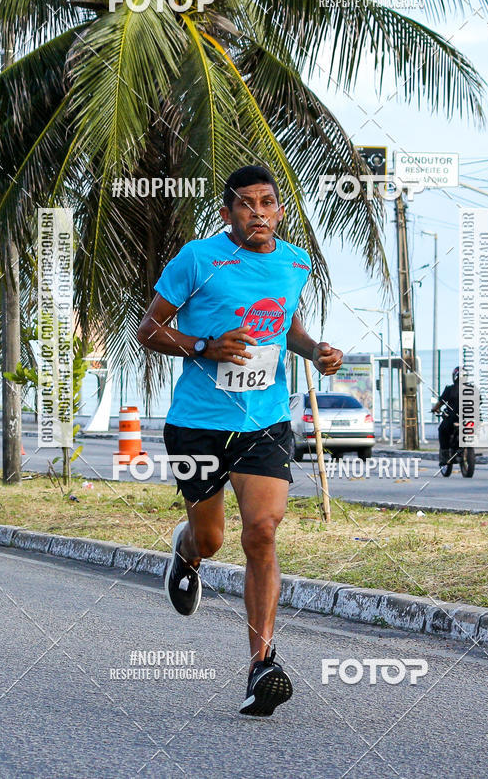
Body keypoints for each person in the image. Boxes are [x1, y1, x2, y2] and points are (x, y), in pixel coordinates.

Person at [137, 165, 343, 716]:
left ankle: (262, 665)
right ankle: (187, 552)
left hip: (265, 422)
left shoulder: (296, 263)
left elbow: (287, 327)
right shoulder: (197, 259)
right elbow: (149, 329)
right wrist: (205, 345)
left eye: (267, 202)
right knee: (211, 539)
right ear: (228, 212)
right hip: (198, 424)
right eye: (246, 204)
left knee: (263, 531)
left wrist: (316, 351)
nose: (258, 212)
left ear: (280, 210)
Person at [431, 366, 461, 466]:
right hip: (471, 419)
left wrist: (434, 409)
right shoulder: (472, 389)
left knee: (442, 430)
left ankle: (444, 456)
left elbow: (440, 403)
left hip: (453, 419)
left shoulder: (450, 389)